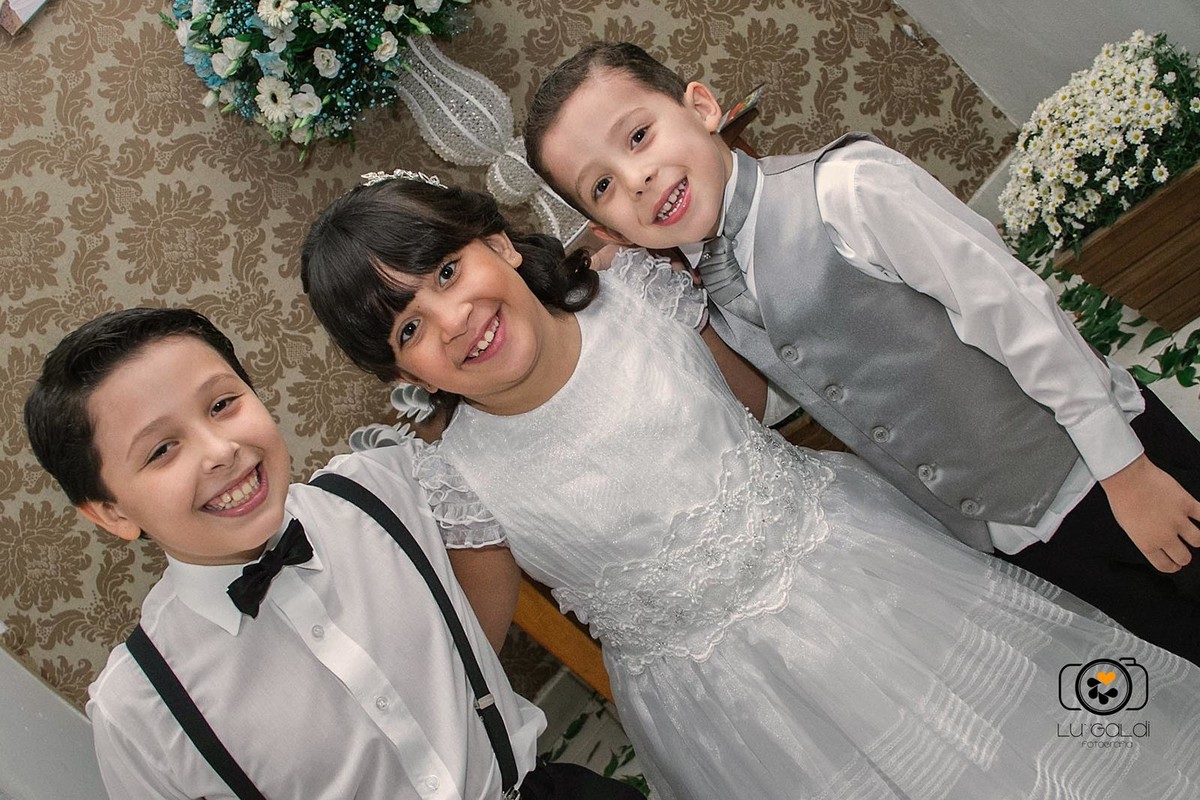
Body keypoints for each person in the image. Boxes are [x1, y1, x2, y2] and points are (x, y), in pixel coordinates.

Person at [300, 176, 1200, 800]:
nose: (455, 320)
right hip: (727, 709)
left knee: (1056, 727)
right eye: (412, 327)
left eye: (451, 271)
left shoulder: (638, 297)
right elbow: (467, 650)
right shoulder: (454, 473)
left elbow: (753, 394)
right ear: (400, 369)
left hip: (866, 567)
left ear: (497, 240)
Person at [521, 41, 1200, 665]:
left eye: (639, 137)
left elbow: (1017, 312)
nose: (635, 179)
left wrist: (1126, 470)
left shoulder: (846, 188)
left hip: (1103, 466)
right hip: (1015, 533)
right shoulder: (708, 288)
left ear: (700, 107)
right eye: (601, 186)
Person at [23, 307, 644, 800]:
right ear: (112, 512)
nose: (219, 451)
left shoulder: (383, 486)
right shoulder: (140, 710)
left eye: (222, 405)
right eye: (161, 450)